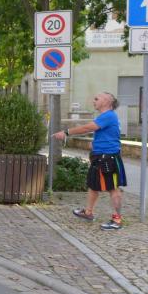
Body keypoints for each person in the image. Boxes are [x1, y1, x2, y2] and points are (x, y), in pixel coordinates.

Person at [52, 92, 126, 230]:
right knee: (93, 185)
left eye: (97, 98)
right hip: (99, 157)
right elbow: (105, 134)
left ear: (107, 101)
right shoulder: (104, 116)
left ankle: (117, 220)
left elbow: (88, 128)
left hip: (108, 158)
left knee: (113, 188)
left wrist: (66, 132)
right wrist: (96, 143)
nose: (93, 101)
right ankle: (88, 212)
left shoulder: (108, 115)